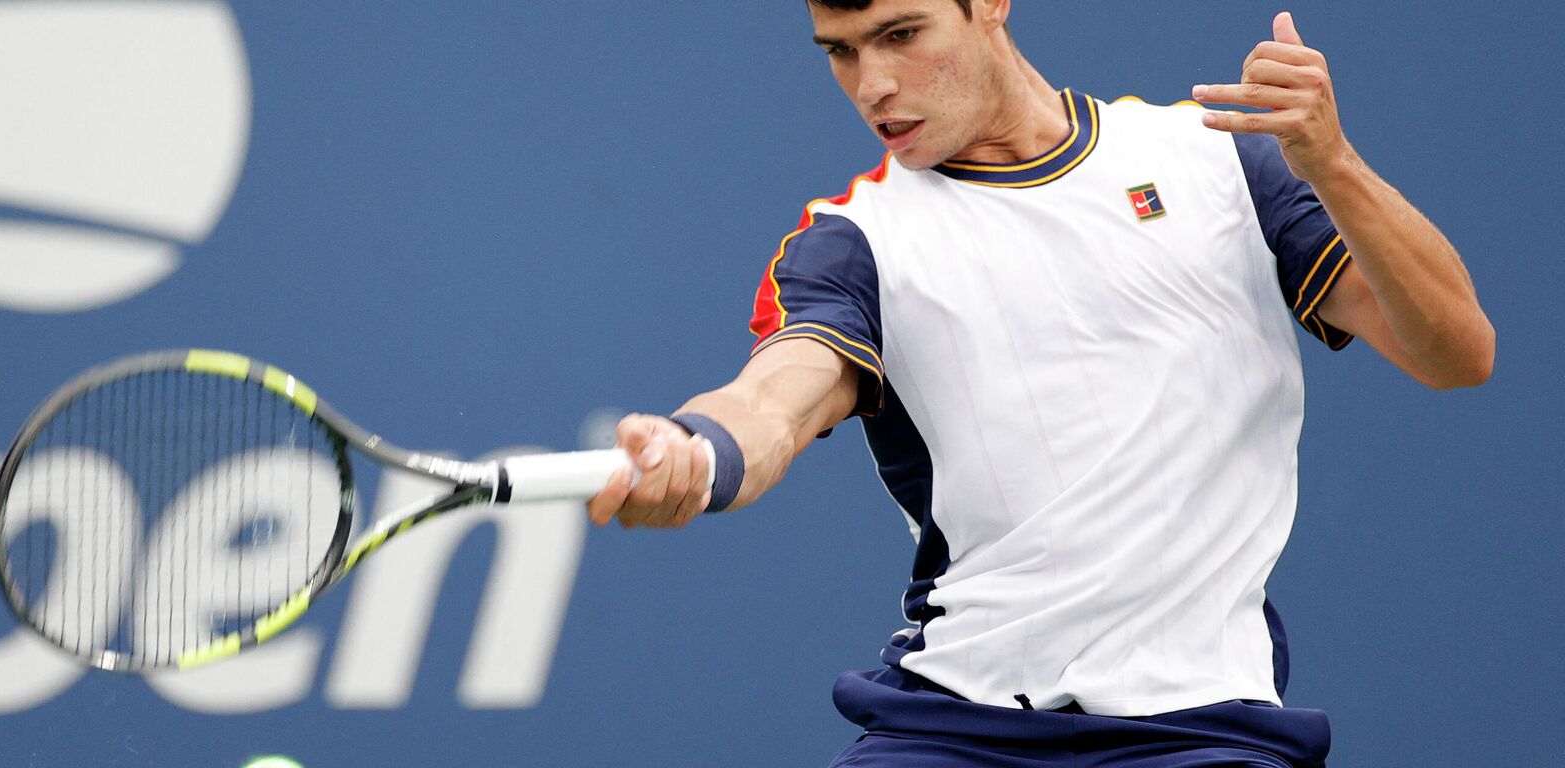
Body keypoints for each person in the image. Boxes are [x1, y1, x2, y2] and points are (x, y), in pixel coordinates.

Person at [584, 1, 1494, 766]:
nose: (872, 87)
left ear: (991, 3)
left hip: (1204, 728)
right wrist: (697, 456)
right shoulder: (852, 240)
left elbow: (1457, 355)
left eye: (901, 35)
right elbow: (771, 401)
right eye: (842, 51)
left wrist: (1332, 164)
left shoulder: (1222, 161)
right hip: (949, 726)